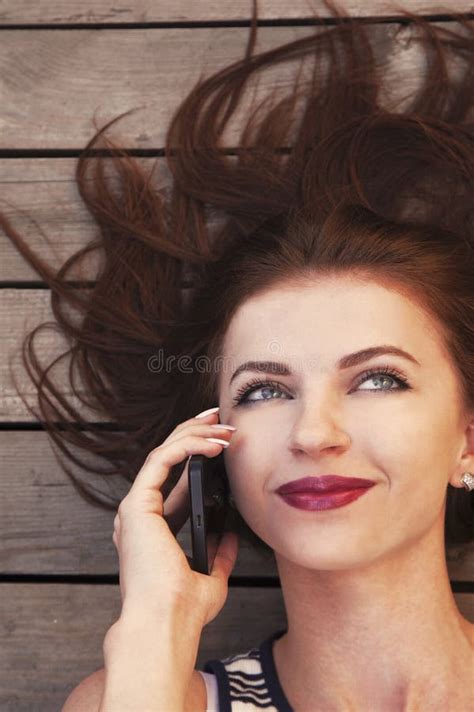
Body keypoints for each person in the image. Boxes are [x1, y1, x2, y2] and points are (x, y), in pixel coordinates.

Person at [2, 1, 473, 710]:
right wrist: (154, 630)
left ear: (467, 437)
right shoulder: (143, 692)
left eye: (378, 378)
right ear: (214, 449)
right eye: (263, 391)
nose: (316, 433)